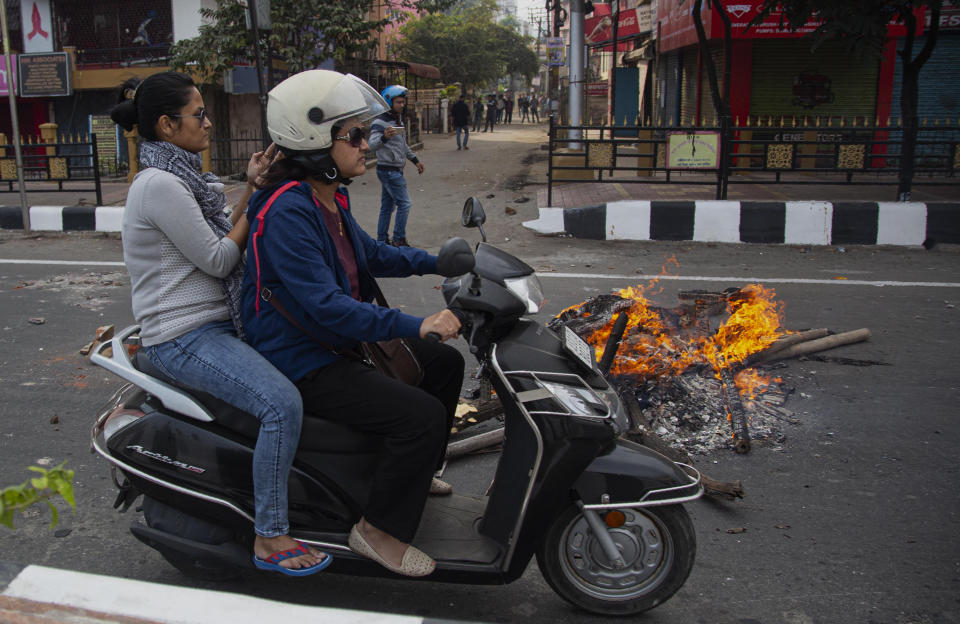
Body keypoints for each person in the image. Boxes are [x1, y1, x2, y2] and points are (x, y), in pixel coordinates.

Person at [240, 69, 464, 578]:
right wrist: (416, 323)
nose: (368, 144)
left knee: (445, 366)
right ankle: (377, 530)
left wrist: (439, 261)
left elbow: (369, 254)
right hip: (302, 356)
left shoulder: (329, 195)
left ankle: (415, 469)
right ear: (315, 142)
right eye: (356, 136)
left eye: (366, 133)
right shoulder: (285, 212)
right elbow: (325, 306)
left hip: (334, 340)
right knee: (421, 416)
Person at [109, 72, 331, 577]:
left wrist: (251, 187)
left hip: (214, 326)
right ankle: (270, 534)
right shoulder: (159, 184)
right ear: (167, 126)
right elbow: (217, 258)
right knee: (281, 403)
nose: (208, 122)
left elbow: (215, 233)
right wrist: (260, 199)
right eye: (199, 114)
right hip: (183, 335)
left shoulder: (181, 179)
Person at [369, 84, 423, 247]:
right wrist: (384, 137)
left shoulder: (397, 121)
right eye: (398, 102)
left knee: (387, 207)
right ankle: (399, 239)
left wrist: (415, 160)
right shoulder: (380, 122)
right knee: (405, 203)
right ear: (388, 102)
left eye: (403, 102)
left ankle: (381, 240)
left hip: (394, 169)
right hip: (388, 171)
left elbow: (403, 145)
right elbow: (371, 145)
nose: (402, 105)